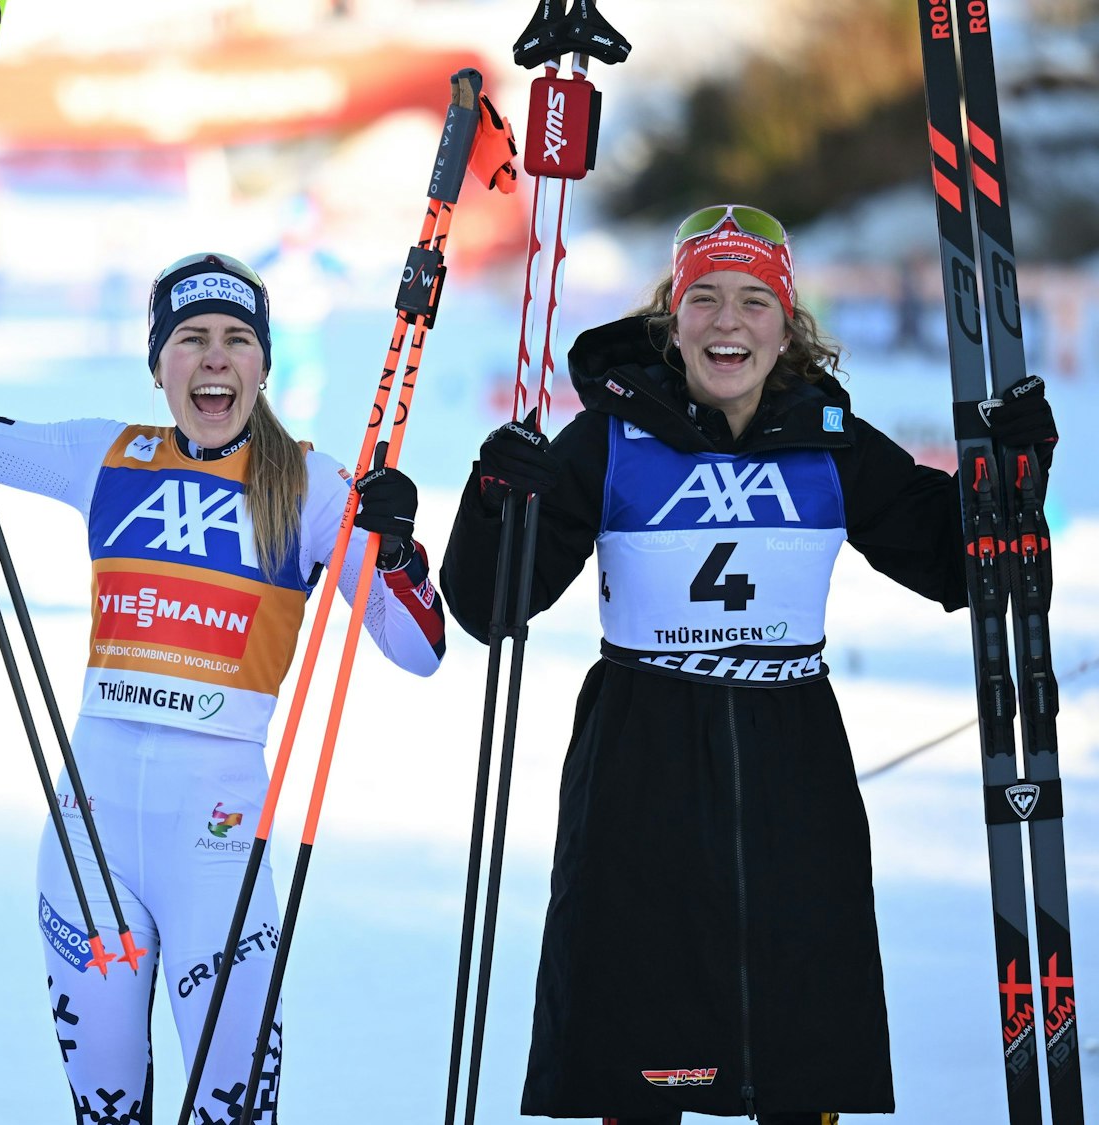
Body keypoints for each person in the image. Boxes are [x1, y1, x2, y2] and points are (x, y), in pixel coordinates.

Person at [438, 205, 1058, 1124]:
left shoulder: (828, 436)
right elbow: (492, 604)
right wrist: (494, 502)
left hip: (790, 752)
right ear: (672, 318)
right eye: (706, 299)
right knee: (638, 1043)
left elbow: (960, 564)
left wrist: (1010, 477)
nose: (729, 321)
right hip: (641, 751)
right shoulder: (611, 436)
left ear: (788, 322)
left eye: (755, 301)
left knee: (799, 1027)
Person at [0, 253, 449, 1124]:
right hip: (90, 848)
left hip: (219, 853)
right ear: (157, 362)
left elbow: (420, 647)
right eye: (191, 339)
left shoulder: (313, 489)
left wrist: (396, 551)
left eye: (237, 340)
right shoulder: (107, 456)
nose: (214, 358)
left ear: (263, 366)